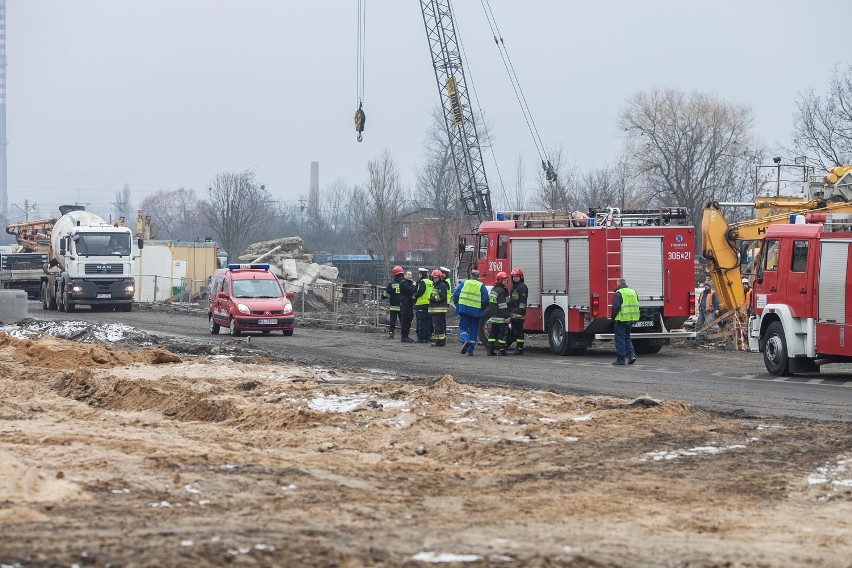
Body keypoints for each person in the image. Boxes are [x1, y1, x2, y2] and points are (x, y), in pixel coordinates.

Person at [452, 269, 489, 356]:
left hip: (464, 309)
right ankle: (470, 349)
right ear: (478, 276)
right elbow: (485, 300)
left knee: (463, 327)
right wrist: (482, 309)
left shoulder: (465, 283)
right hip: (476, 311)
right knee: (473, 330)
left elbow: (456, 295)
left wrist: (458, 304)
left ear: (470, 275)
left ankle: (465, 340)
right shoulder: (481, 285)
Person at [611, 278, 639, 365]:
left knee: (620, 339)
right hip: (631, 319)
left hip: (621, 319)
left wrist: (613, 317)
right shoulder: (633, 292)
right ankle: (631, 355)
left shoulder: (618, 293)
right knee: (627, 338)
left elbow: (615, 307)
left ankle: (621, 359)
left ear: (618, 284)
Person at [486, 271, 511, 356]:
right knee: (503, 335)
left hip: (493, 317)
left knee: (493, 334)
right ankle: (502, 350)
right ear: (500, 280)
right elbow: (503, 306)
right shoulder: (502, 291)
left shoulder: (493, 290)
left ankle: (490, 350)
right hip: (501, 318)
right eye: (504, 280)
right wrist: (507, 317)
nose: (506, 282)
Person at [508, 268, 529, 355]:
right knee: (515, 330)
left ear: (521, 277)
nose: (515, 278)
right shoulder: (514, 287)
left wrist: (520, 312)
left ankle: (519, 349)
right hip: (513, 313)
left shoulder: (522, 287)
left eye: (517, 276)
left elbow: (523, 301)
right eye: (514, 276)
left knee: (519, 331)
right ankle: (518, 348)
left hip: (519, 314)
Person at [428, 269, 449, 346]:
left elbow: (442, 297)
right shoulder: (436, 285)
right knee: (436, 326)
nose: (435, 279)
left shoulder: (442, 285)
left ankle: (441, 341)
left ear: (440, 277)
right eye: (434, 277)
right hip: (435, 310)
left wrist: (431, 299)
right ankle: (438, 340)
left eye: (436, 277)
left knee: (439, 326)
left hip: (439, 310)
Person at [382, 265, 405, 339]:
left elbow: (386, 294)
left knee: (393, 321)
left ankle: (391, 334)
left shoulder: (392, 283)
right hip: (403, 306)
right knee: (403, 321)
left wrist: (383, 296)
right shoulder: (405, 283)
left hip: (394, 306)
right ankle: (404, 334)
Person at [414, 268, 433, 343]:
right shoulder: (431, 282)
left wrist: (415, 296)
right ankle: (427, 337)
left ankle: (421, 338)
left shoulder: (422, 282)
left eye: (419, 274)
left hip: (421, 304)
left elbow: (421, 291)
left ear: (421, 275)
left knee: (421, 321)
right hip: (429, 303)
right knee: (428, 321)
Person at [399, 270, 417, 343]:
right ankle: (404, 336)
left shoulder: (409, 283)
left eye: (411, 275)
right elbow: (411, 290)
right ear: (404, 275)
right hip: (405, 304)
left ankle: (406, 336)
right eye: (408, 275)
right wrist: (414, 285)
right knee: (406, 320)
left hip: (409, 303)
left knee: (409, 319)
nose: (410, 276)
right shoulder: (403, 283)